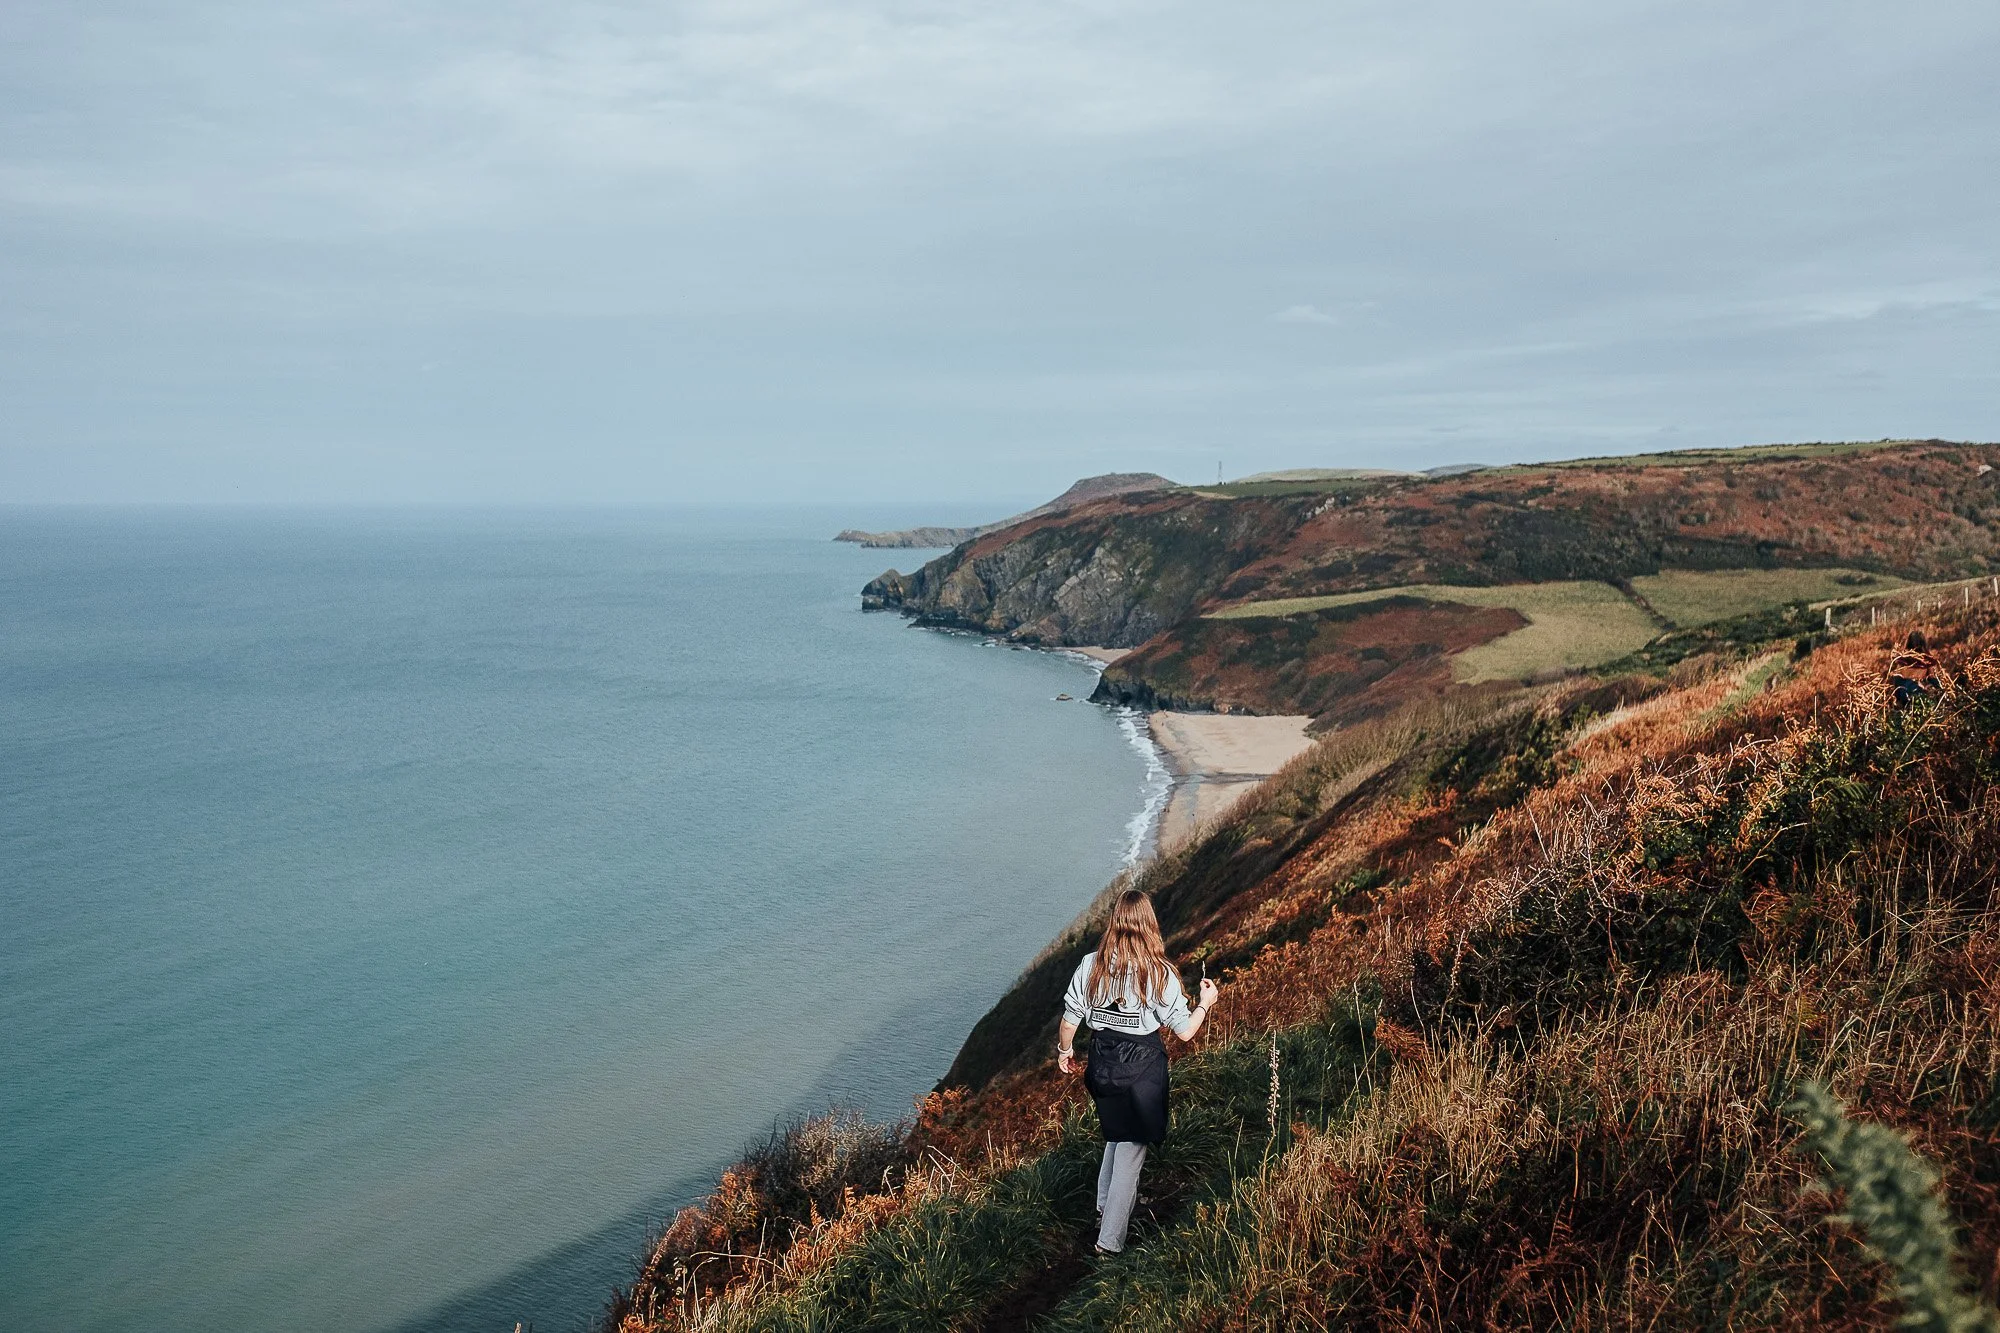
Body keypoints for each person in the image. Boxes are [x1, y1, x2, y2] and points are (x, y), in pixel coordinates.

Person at [1056, 889, 1219, 1255]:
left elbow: (1069, 1022)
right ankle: (1109, 1245)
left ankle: (1103, 1208)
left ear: (1115, 921)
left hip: (1102, 1062)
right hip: (1141, 1069)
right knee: (1131, 1152)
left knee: (1117, 1133)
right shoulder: (1159, 974)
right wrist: (1205, 1003)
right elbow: (1185, 1031)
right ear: (1150, 925)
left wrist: (1064, 1052)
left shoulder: (1091, 964)